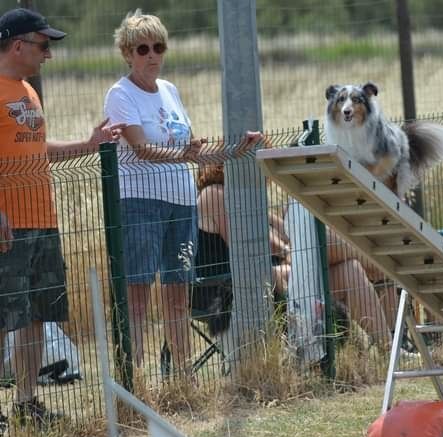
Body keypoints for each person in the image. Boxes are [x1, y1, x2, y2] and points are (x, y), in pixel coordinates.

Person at [0, 8, 122, 427]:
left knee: (36, 315)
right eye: (43, 45)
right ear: (18, 45)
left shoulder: (27, 92)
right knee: (4, 316)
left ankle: (26, 403)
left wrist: (87, 145)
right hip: (8, 226)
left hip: (42, 220)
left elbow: (37, 147)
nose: (47, 55)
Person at [104, 9, 209, 375]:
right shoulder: (120, 94)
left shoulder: (170, 91)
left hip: (181, 201)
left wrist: (203, 151)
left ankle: (182, 375)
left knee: (178, 292)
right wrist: (185, 153)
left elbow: (184, 143)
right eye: (142, 49)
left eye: (158, 47)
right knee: (137, 293)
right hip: (140, 202)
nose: (152, 56)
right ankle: (133, 380)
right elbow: (139, 147)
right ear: (128, 54)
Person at [193, 162, 396, 350]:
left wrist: (292, 242)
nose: (266, 180)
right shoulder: (214, 195)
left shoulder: (244, 200)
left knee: (350, 269)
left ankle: (389, 347)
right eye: (263, 169)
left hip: (276, 279)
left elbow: (285, 232)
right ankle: (378, 262)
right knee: (313, 251)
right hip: (228, 289)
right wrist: (290, 251)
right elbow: (248, 246)